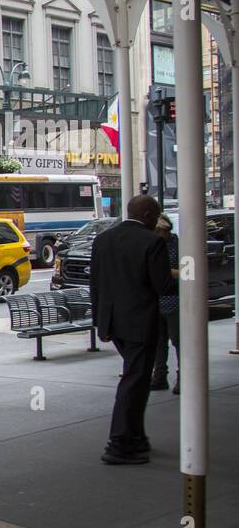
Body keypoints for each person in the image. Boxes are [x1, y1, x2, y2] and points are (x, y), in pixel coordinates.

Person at [90, 194, 173, 464]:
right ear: (148, 215)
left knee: (134, 377)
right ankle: (120, 442)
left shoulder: (103, 239)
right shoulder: (153, 242)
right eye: (156, 214)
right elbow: (161, 285)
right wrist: (183, 276)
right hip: (140, 322)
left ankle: (135, 437)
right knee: (135, 381)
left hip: (113, 322)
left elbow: (96, 283)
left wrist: (101, 323)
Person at [150, 214, 181, 395]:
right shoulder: (155, 246)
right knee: (158, 342)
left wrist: (165, 271)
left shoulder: (178, 245)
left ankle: (183, 378)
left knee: (178, 341)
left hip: (175, 300)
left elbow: (188, 271)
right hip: (157, 301)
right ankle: (159, 377)